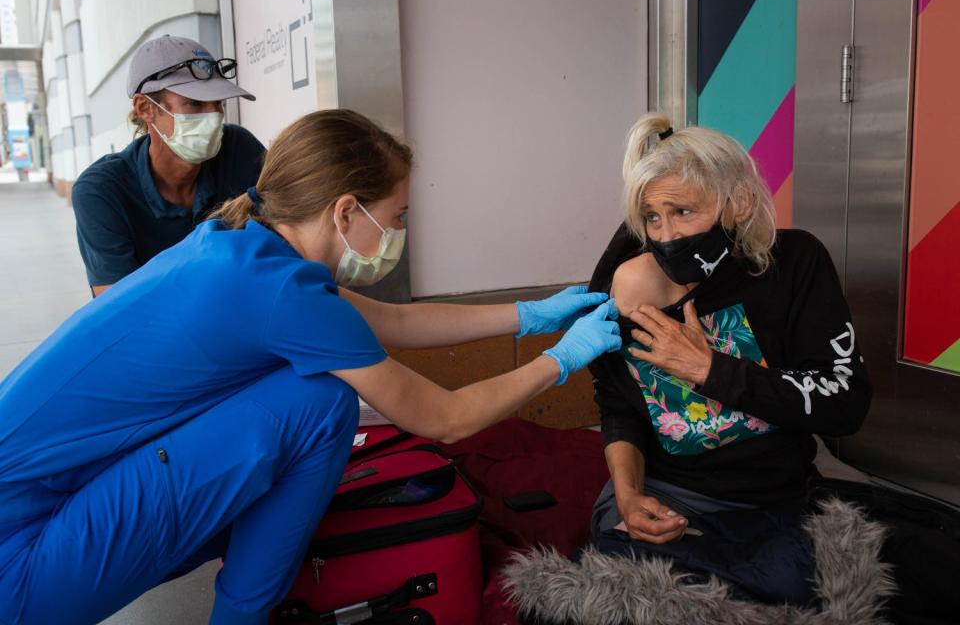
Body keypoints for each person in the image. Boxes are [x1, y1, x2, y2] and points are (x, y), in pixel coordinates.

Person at [0, 109, 621, 625]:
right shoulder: (281, 293)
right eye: (398, 214)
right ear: (347, 211)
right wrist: (562, 360)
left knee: (304, 395)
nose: (401, 227)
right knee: (318, 405)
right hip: (19, 561)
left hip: (32, 499)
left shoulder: (244, 245)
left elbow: (392, 322)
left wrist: (530, 313)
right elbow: (446, 418)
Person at [588, 113, 871, 552]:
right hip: (670, 496)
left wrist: (709, 368)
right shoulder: (626, 287)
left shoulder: (794, 264)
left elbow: (845, 404)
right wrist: (628, 497)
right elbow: (619, 408)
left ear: (737, 203)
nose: (667, 236)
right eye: (652, 218)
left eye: (683, 212)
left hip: (777, 497)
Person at [72, 35, 265, 296]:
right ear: (145, 108)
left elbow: (288, 240)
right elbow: (117, 306)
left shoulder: (240, 149)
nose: (214, 114)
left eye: (218, 103)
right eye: (194, 103)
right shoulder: (101, 191)